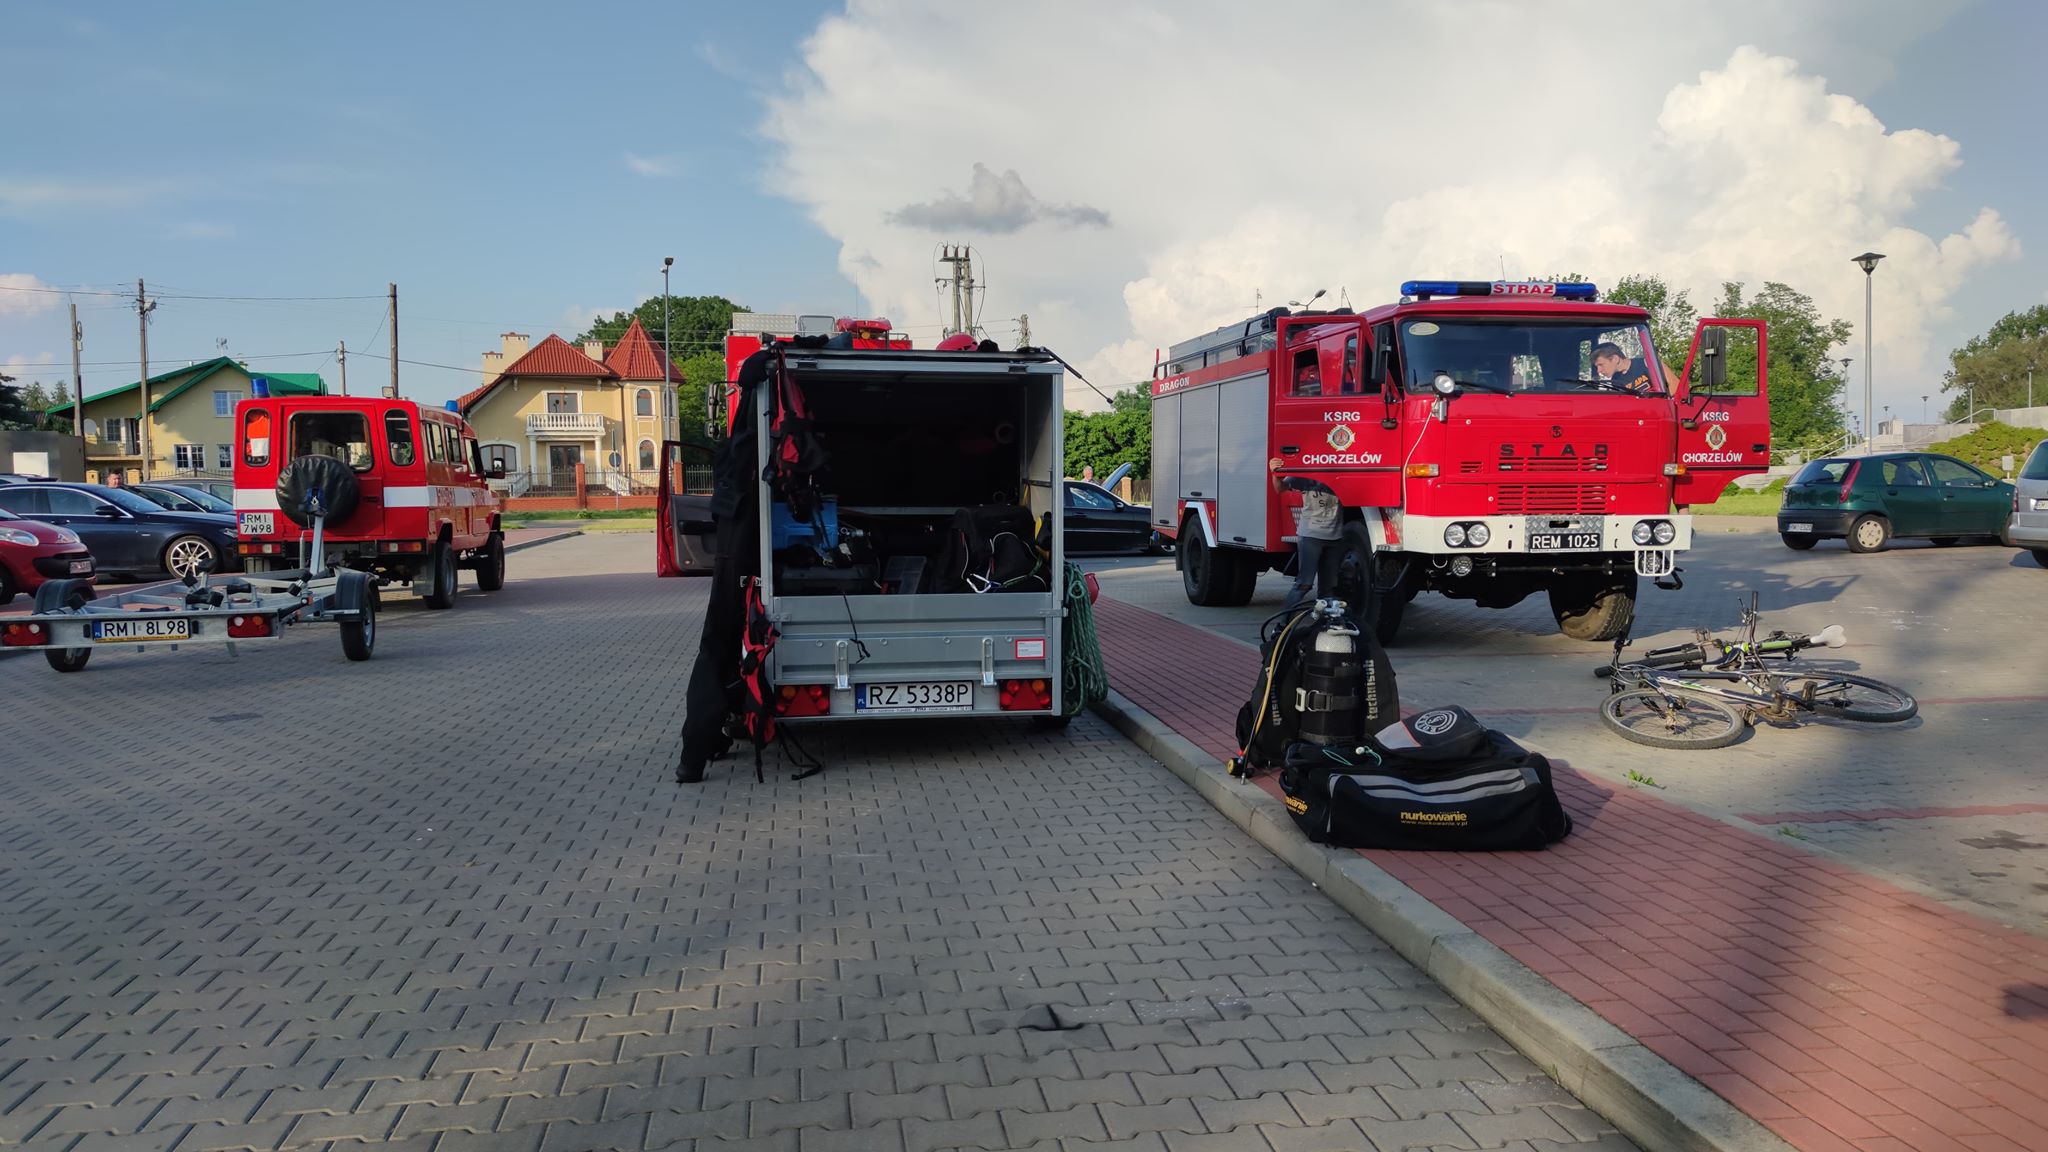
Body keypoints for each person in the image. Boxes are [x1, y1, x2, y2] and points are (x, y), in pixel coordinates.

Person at [1271, 457, 1342, 609]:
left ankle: (1323, 626)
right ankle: (1284, 626)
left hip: (1335, 536)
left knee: (1328, 590)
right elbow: (1280, 488)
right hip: (1311, 536)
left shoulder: (1342, 469)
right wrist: (1275, 473)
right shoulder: (1307, 469)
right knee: (1304, 584)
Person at [1592, 342, 1657, 393]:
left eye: (1601, 365)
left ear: (1615, 359)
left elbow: (1667, 386)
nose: (1598, 370)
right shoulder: (1615, 382)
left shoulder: (1647, 364)